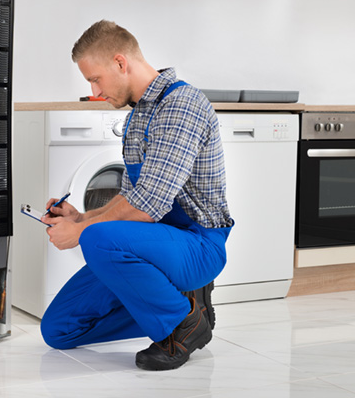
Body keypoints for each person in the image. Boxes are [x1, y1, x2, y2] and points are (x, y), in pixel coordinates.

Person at [39, 20, 234, 371]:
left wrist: (82, 232)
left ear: (119, 62)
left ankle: (182, 325)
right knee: (59, 330)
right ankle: (185, 305)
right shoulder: (138, 115)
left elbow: (149, 205)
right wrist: (79, 217)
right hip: (159, 242)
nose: (95, 92)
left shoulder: (181, 104)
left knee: (98, 238)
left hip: (198, 245)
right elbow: (133, 195)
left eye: (95, 79)